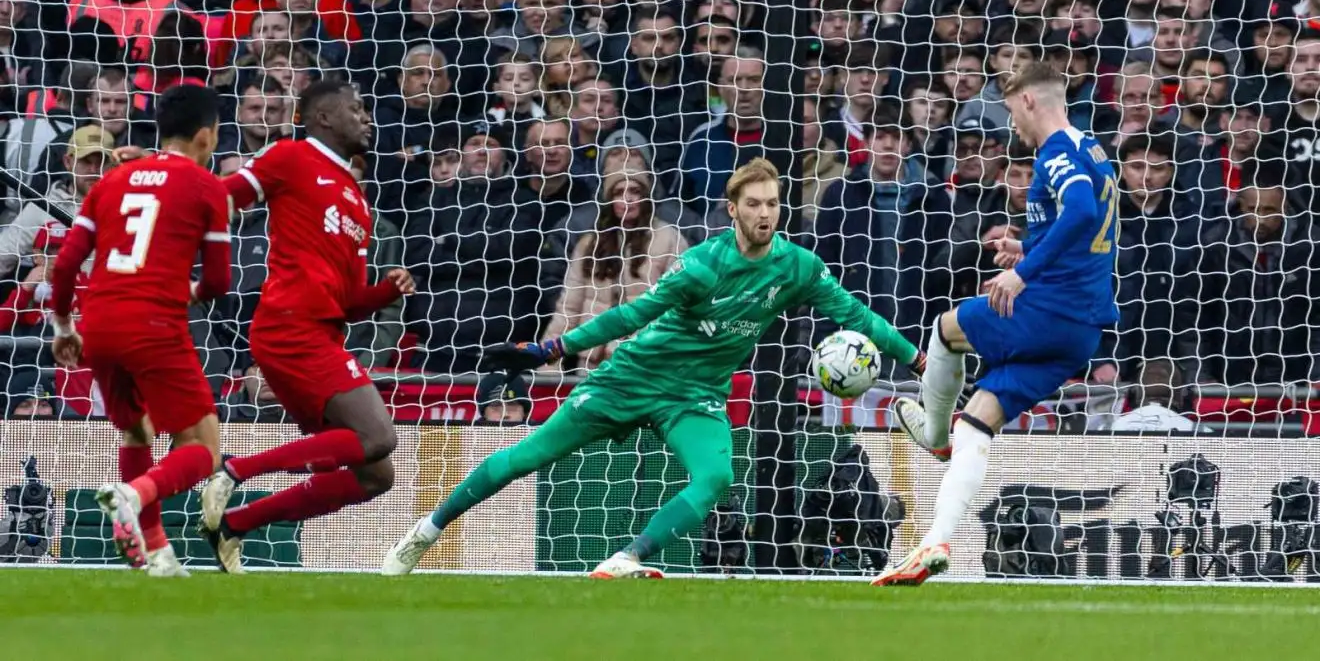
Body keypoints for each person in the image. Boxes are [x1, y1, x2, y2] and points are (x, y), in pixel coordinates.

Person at [381, 158, 927, 578]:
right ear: (732, 210)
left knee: (716, 477)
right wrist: (547, 351)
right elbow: (631, 313)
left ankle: (628, 557)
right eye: (755, 204)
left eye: (774, 204)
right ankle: (426, 531)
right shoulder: (701, 266)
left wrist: (914, 358)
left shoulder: (799, 267)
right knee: (529, 455)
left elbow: (856, 315)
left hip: (695, 395)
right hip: (631, 377)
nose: (766, 214)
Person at [877, 63, 1117, 586]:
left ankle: (932, 434)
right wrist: (1024, 247)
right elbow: (1084, 228)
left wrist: (1022, 273)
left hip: (1051, 309)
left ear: (1029, 101)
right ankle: (934, 543)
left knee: (945, 328)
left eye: (1011, 111)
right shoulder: (1093, 148)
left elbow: (1077, 211)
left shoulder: (1055, 152)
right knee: (978, 423)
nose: (1013, 125)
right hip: (1081, 331)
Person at [199, 80, 416, 574]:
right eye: (356, 109)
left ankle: (234, 526)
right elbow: (223, 196)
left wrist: (386, 291)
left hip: (319, 330)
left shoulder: (357, 200)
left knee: (375, 475)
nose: (367, 118)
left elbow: (348, 302)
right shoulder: (291, 157)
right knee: (379, 437)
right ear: (323, 117)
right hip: (289, 326)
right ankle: (234, 470)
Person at [47, 84, 233, 577]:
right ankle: (133, 494)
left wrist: (64, 325)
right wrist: (185, 292)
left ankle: (156, 553)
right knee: (204, 448)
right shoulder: (206, 186)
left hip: (99, 323)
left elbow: (64, 267)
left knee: (136, 430)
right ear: (205, 136)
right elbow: (218, 281)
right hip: (154, 323)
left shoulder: (113, 180)